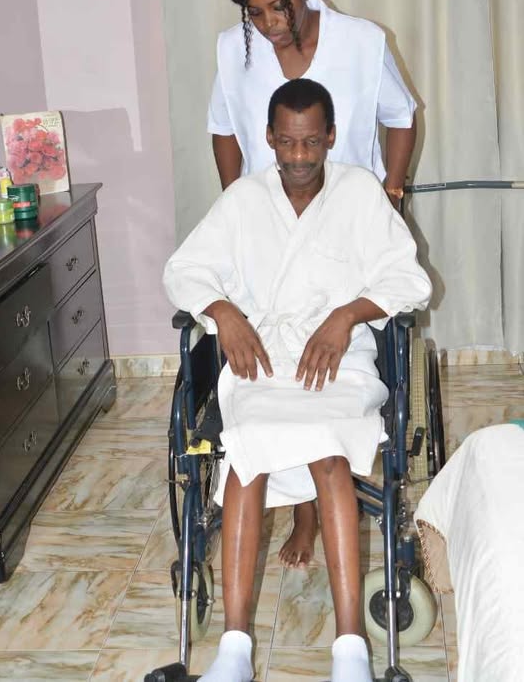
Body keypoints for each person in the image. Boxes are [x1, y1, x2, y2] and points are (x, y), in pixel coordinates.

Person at [164, 79, 431, 682]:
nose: (299, 156)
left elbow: (408, 280)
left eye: (311, 141)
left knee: (330, 457)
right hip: (262, 359)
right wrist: (222, 311)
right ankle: (234, 650)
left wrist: (348, 315)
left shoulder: (359, 193)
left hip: (340, 361)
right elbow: (183, 270)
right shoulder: (244, 200)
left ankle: (350, 651)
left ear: (331, 137)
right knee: (245, 456)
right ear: (269, 138)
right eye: (287, 142)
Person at [208, 0, 418, 567]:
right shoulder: (234, 49)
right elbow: (222, 128)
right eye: (254, 12)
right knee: (272, 369)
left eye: (280, 7)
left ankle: (317, 506)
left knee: (327, 368)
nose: (269, 24)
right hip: (270, 235)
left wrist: (390, 193)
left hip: (345, 234)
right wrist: (238, 205)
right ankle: (300, 509)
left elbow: (400, 115)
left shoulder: (361, 41)